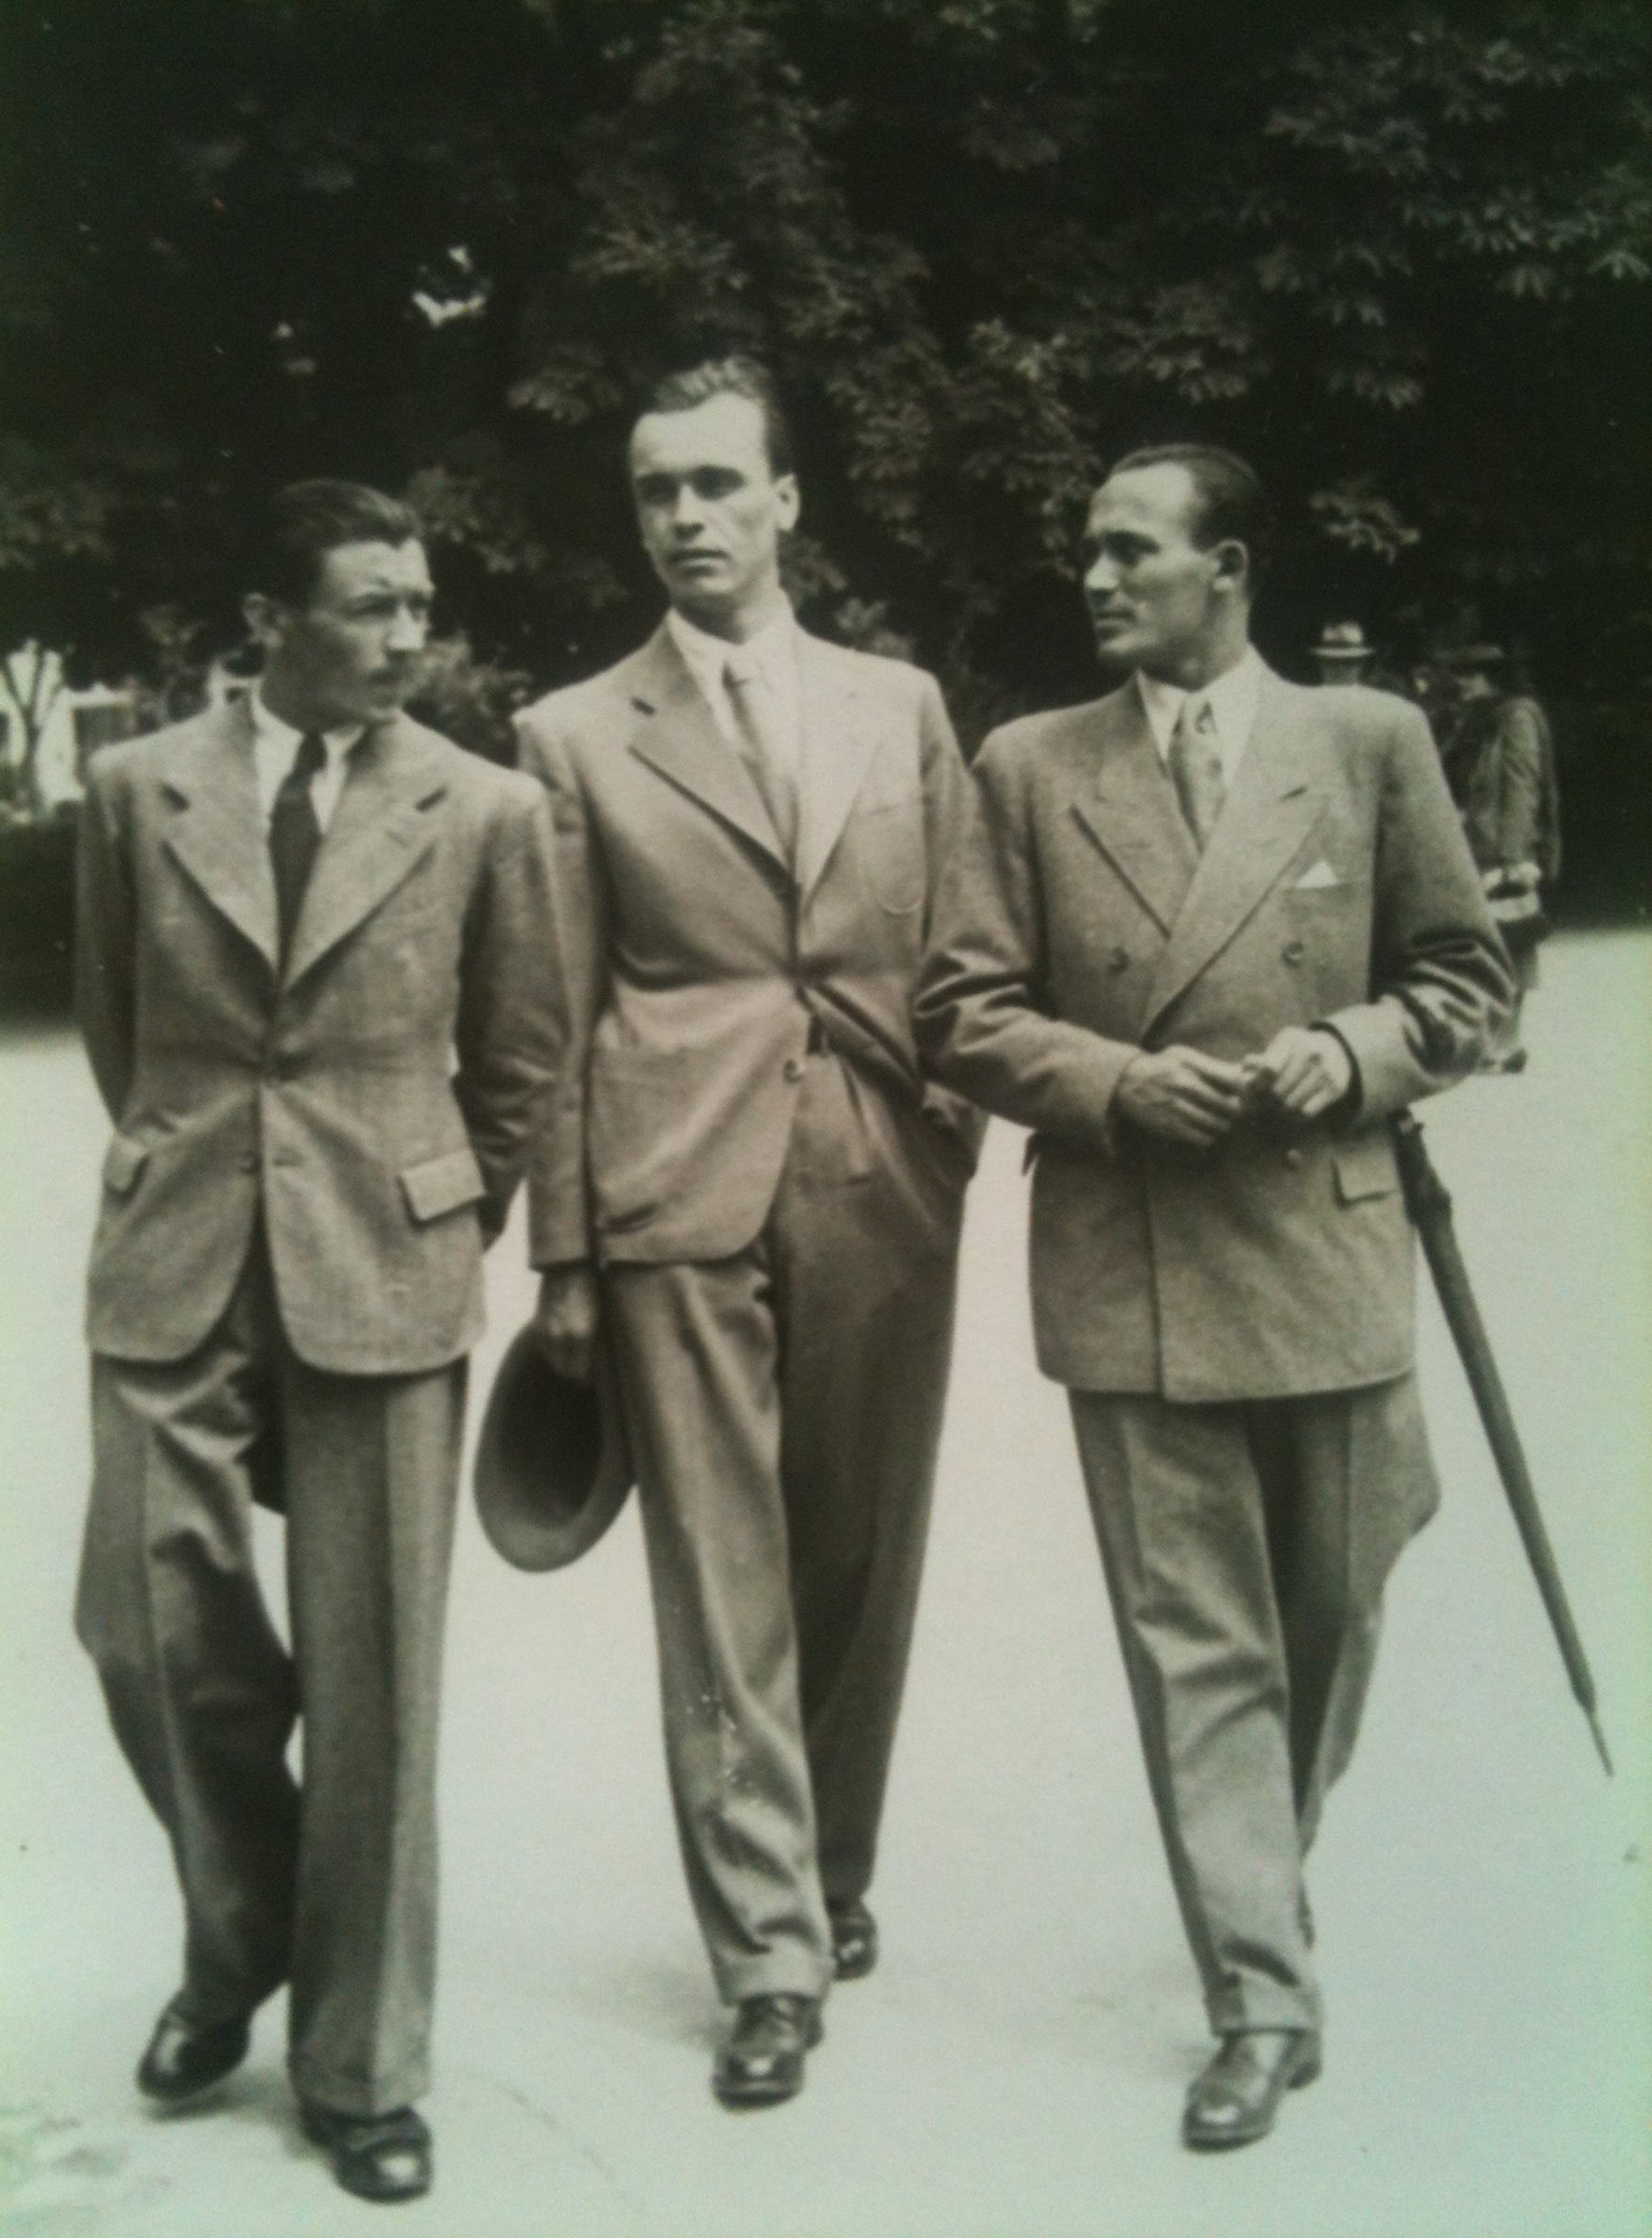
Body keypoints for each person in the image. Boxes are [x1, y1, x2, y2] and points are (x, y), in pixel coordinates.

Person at [916, 443, 1511, 2151]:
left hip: (1327, 1243)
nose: (1095, 580)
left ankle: (1259, 1869)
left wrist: (1357, 1047)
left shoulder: (1369, 741)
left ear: (1228, 567)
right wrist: (1114, 1082)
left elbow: (1465, 978)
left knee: (1334, 1605)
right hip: (1137, 1262)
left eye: (1131, 551)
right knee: (1202, 1653)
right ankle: (1257, 1991)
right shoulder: (1031, 765)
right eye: (1089, 553)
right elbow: (958, 1010)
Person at [73, 479, 570, 2204]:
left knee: (376, 1679)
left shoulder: (488, 806)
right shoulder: (137, 788)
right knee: (144, 1623)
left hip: (386, 1251)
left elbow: (521, 1057)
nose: (409, 636)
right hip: (180, 1245)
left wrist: (441, 1206)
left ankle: (362, 2067)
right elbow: (119, 1026)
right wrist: (198, 1165)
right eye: (372, 604)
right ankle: (244, 1938)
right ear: (269, 621)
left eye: (420, 604)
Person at [516, 356, 981, 2109]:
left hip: (877, 1170)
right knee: (721, 1580)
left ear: (789, 500)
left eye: (718, 482)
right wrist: (567, 1255)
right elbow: (556, 1011)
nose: (686, 516)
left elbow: (964, 948)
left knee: (857, 1551)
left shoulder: (899, 704)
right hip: (672, 1188)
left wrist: (947, 1133)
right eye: (657, 489)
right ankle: (768, 1955)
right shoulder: (573, 734)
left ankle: (830, 1868)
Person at [1437, 644, 1562, 1072]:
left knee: (1513, 942)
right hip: (1481, 848)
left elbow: (1523, 784)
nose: (1463, 683)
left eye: (1472, 675)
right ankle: (1496, 1043)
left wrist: (1515, 857)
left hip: (1505, 853)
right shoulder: (1481, 718)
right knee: (1492, 944)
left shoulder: (1517, 716)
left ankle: (1509, 1045)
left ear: (1495, 678)